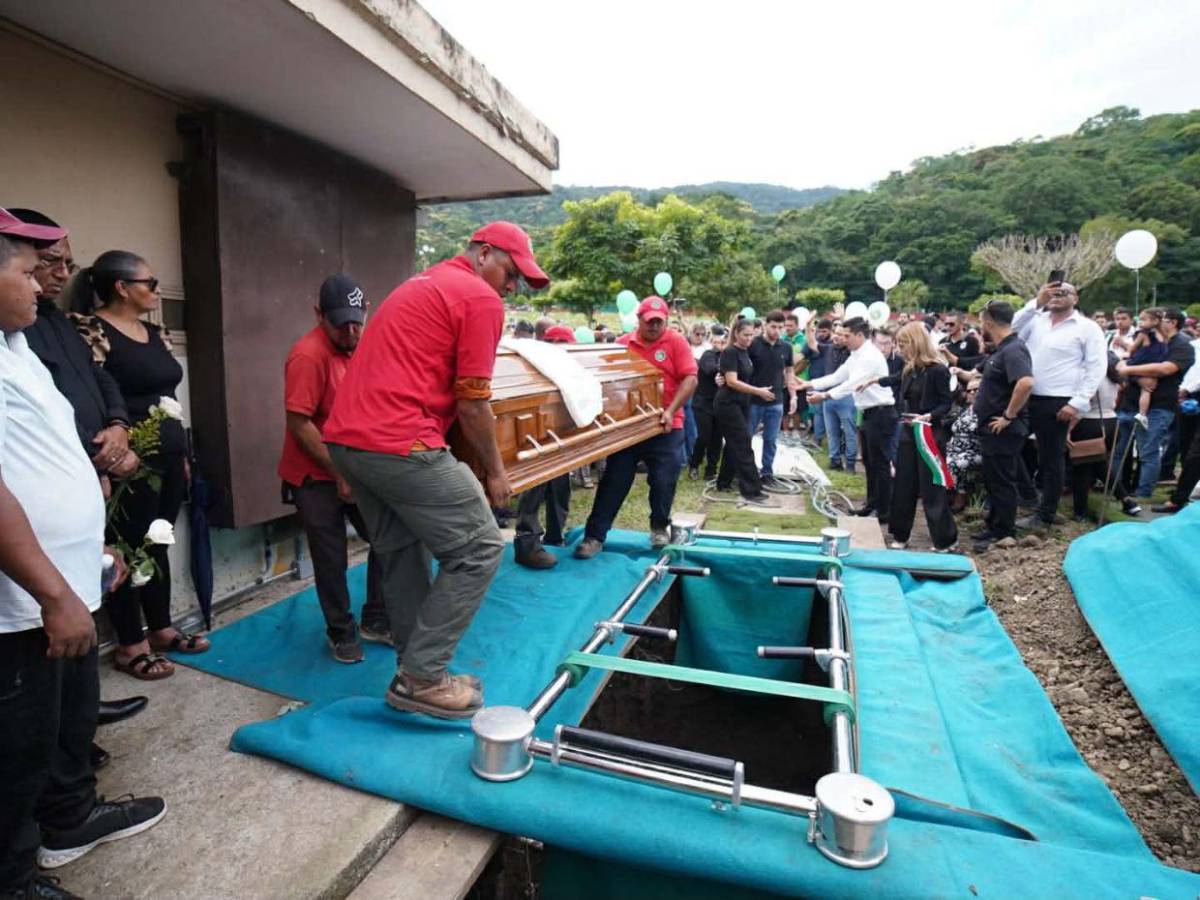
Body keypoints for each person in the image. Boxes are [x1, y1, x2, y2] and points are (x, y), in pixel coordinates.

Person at [0, 210, 166, 899]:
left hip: (63, 575)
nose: (40, 284)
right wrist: (52, 592)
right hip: (24, 597)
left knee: (65, 720)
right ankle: (12, 878)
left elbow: (46, 448)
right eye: (24, 271)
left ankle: (70, 819)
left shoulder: (18, 345)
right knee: (18, 744)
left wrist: (88, 543)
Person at [324, 221, 545, 719]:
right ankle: (423, 676)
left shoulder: (423, 282)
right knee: (480, 548)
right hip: (400, 439)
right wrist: (495, 472)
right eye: (512, 273)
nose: (513, 287)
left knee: (402, 550)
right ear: (484, 254)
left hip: (348, 442)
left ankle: (414, 672)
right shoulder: (479, 298)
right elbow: (473, 403)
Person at [13, 210, 148, 769]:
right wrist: (91, 457)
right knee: (42, 651)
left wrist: (118, 426)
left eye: (65, 263)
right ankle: (66, 756)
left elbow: (98, 379)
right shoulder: (15, 332)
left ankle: (80, 721)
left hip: (91, 481)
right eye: (42, 265)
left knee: (81, 619)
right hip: (38, 530)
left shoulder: (55, 322)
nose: (57, 275)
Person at [72, 250, 210, 680]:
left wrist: (182, 454)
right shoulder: (91, 330)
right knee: (126, 549)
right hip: (129, 462)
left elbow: (170, 397)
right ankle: (131, 644)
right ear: (121, 287)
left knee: (157, 542)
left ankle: (162, 627)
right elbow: (91, 394)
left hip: (168, 455)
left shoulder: (155, 332)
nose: (156, 291)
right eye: (149, 284)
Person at [279, 273, 390, 663]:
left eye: (356, 321)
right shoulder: (308, 355)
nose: (350, 331)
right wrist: (339, 472)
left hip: (356, 466)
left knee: (386, 539)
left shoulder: (364, 346)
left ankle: (377, 618)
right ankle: (340, 631)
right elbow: (299, 423)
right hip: (315, 474)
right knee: (331, 557)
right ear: (318, 314)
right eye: (340, 324)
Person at [575, 296, 698, 557]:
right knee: (614, 480)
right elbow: (606, 381)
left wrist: (671, 411)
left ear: (666, 321)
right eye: (649, 321)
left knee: (664, 479)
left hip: (666, 424)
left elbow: (690, 378)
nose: (654, 326)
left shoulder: (676, 342)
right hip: (630, 426)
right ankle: (594, 536)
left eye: (659, 322)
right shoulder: (622, 344)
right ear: (639, 320)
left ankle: (659, 527)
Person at [1010, 282, 1107, 529]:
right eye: (1052, 293)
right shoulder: (1036, 320)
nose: (1056, 296)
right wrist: (1036, 302)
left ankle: (1046, 514)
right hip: (1027, 395)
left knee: (1051, 458)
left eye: (1063, 293)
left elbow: (1096, 366)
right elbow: (1011, 328)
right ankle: (1027, 498)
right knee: (1012, 447)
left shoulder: (1087, 327)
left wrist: (1077, 402)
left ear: (1076, 298)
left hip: (1059, 399)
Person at [801, 318, 897, 520]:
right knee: (870, 463)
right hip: (870, 413)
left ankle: (884, 511)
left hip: (881, 413)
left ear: (860, 335)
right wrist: (809, 384)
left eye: (847, 335)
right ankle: (872, 504)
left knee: (880, 464)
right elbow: (838, 377)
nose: (843, 339)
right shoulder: (856, 355)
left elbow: (852, 383)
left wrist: (825, 395)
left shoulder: (870, 356)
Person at [880, 323, 957, 550]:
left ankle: (944, 538)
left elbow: (946, 403)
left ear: (915, 343)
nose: (900, 349)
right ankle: (900, 534)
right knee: (904, 484)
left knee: (931, 487)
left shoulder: (938, 370)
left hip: (929, 434)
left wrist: (929, 416)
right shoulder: (909, 370)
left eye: (903, 344)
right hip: (908, 431)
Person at [970, 301, 1035, 552]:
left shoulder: (1014, 349)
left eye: (981, 322)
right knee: (993, 479)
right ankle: (994, 524)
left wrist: (1008, 415)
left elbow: (1026, 382)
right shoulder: (1002, 349)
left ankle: (1004, 531)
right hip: (992, 427)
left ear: (988, 322)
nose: (980, 327)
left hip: (1003, 428)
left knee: (1002, 481)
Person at [1113, 307, 1194, 500]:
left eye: (1160, 319)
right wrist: (1130, 371)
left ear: (1172, 322)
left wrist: (1129, 370)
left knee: (1148, 451)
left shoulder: (1182, 345)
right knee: (1118, 450)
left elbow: (1165, 369)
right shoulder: (1146, 337)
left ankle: (1143, 492)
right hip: (1130, 401)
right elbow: (1123, 360)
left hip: (1159, 405)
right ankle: (1115, 488)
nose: (1154, 322)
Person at [513, 325, 574, 569]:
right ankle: (527, 542)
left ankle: (555, 536)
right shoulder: (534, 364)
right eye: (554, 342)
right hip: (535, 432)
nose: (559, 348)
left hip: (559, 435)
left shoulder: (569, 366)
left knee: (560, 488)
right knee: (533, 489)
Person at [712, 320, 775, 506]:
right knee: (743, 444)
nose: (749, 338)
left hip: (741, 403)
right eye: (745, 335)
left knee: (734, 444)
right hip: (728, 403)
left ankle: (724, 482)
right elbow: (732, 381)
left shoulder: (745, 352)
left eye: (751, 335)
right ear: (736, 333)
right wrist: (758, 392)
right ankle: (751, 489)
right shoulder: (730, 352)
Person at [1068, 352, 1124, 521]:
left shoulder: (1093, 377)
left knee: (1082, 469)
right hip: (1111, 422)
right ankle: (1125, 499)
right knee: (1099, 464)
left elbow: (1084, 405)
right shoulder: (1112, 377)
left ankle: (1080, 512)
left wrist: (1069, 428)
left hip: (1090, 424)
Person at [747, 310, 798, 484]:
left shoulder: (786, 347)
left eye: (780, 327)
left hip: (776, 401)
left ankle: (767, 472)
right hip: (753, 400)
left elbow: (789, 372)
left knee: (771, 439)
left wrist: (793, 395)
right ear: (765, 325)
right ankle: (746, 471)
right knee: (747, 437)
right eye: (773, 327)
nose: (777, 331)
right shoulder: (753, 344)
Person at [687, 325, 727, 481]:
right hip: (703, 402)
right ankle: (694, 464)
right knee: (704, 435)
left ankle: (711, 470)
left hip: (721, 404)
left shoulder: (732, 357)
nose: (721, 345)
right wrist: (727, 369)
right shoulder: (709, 354)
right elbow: (710, 369)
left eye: (724, 342)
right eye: (719, 342)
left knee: (717, 438)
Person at [1120, 308, 1169, 429]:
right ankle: (1142, 414)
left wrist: (1127, 351)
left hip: (1142, 361)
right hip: (1153, 364)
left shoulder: (1143, 334)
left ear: (1155, 321)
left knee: (1145, 388)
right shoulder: (1163, 335)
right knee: (1146, 389)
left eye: (1143, 320)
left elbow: (1133, 348)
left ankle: (1141, 414)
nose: (1140, 322)